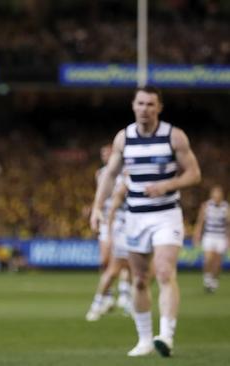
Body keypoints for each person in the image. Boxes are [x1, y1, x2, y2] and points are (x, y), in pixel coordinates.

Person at [90, 86, 201, 357]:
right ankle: (144, 340)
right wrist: (96, 207)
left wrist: (168, 184)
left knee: (163, 271)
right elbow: (109, 175)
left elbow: (194, 174)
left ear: (159, 108)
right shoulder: (124, 138)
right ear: (133, 106)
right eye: (140, 103)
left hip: (166, 214)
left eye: (151, 104)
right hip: (135, 217)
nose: (145, 109)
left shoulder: (174, 136)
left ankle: (166, 335)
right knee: (139, 280)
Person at [90, 144, 130, 314]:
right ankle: (107, 296)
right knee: (104, 261)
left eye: (108, 153)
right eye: (103, 153)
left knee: (124, 261)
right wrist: (95, 212)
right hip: (106, 220)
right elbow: (98, 195)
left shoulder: (126, 171)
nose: (105, 156)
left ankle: (124, 294)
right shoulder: (100, 174)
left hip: (125, 220)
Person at [86, 176, 132, 321]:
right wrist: (111, 233)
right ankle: (98, 302)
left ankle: (127, 298)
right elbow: (113, 207)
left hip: (138, 229)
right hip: (123, 229)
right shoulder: (124, 183)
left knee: (140, 270)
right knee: (113, 269)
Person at [193, 185, 229, 293]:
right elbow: (200, 222)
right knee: (208, 259)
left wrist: (228, 238)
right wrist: (197, 234)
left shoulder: (226, 207)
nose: (216, 196)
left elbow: (228, 224)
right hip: (209, 235)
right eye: (215, 193)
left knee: (217, 262)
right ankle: (207, 277)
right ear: (212, 195)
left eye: (218, 194)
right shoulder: (206, 206)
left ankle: (214, 280)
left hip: (221, 237)